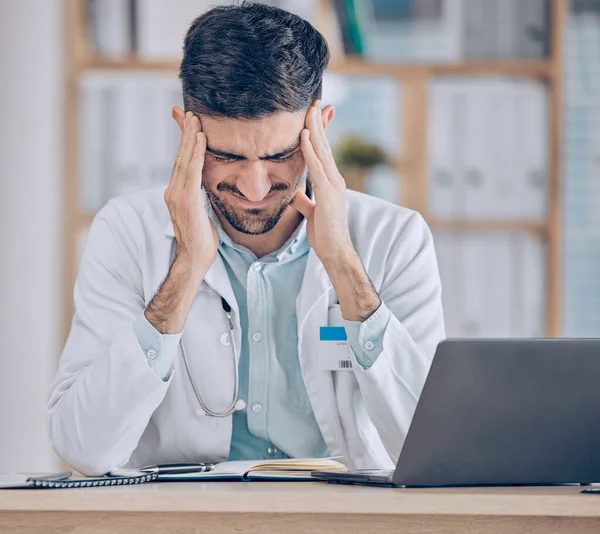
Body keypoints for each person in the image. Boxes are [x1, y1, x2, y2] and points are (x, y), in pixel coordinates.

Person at [47, 1, 445, 476]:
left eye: (280, 155)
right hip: (182, 518)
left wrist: (343, 263)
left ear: (321, 126)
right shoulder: (126, 233)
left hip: (340, 518)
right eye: (227, 156)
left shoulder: (396, 238)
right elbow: (84, 447)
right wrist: (187, 267)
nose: (255, 189)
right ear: (186, 129)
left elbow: (430, 446)